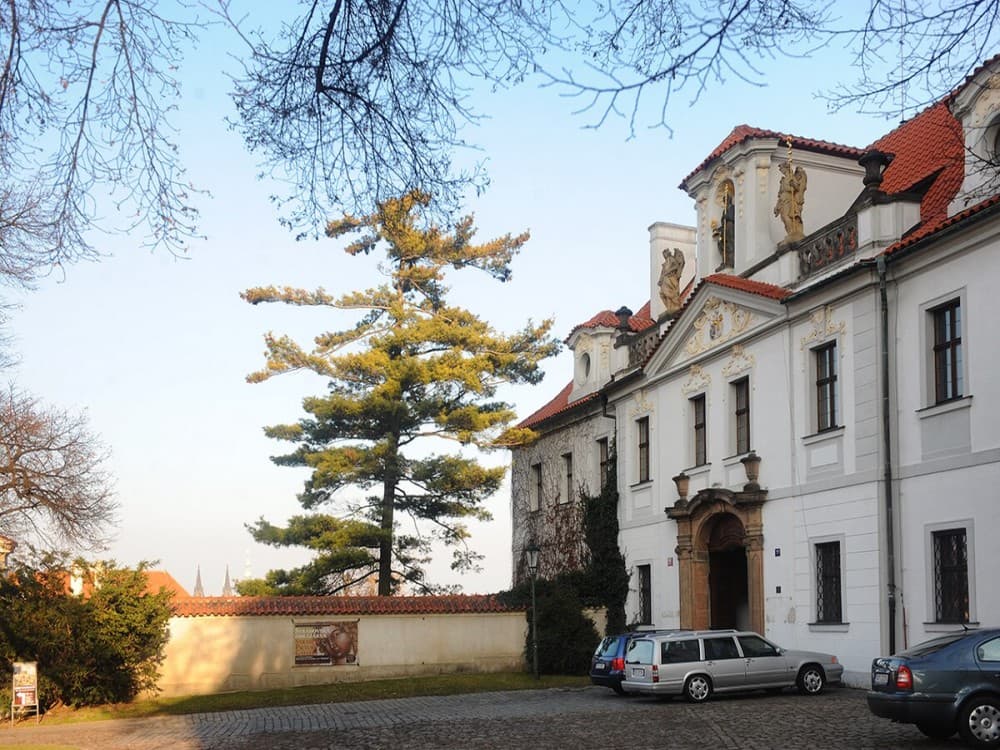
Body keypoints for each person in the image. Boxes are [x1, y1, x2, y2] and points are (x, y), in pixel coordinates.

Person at [774, 161, 807, 242]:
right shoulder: (783, 180)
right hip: (782, 199)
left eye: (782, 169)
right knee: (784, 218)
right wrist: (777, 206)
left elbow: (797, 188)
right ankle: (790, 233)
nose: (781, 171)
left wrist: (793, 184)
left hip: (788, 199)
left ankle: (793, 233)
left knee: (787, 216)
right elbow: (780, 193)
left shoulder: (791, 177)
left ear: (786, 168)